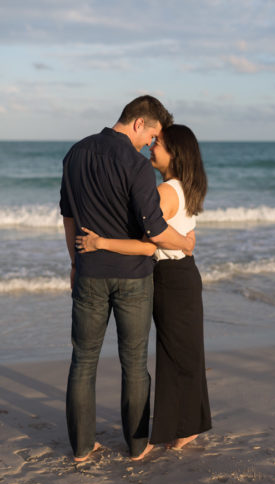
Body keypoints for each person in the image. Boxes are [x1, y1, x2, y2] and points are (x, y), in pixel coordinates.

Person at [59, 96, 195, 462]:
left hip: (89, 271)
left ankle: (83, 448)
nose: (151, 144)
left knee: (83, 361)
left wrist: (75, 262)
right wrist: (184, 241)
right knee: (134, 362)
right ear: (139, 124)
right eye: (152, 135)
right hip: (133, 278)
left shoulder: (74, 154)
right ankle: (137, 447)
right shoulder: (135, 165)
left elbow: (68, 217)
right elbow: (153, 230)